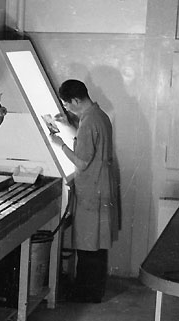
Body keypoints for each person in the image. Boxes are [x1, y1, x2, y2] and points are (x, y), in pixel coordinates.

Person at [50, 79, 121, 303]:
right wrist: (68, 123)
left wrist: (60, 145)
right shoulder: (99, 115)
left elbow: (81, 162)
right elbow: (88, 143)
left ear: (76, 100)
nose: (66, 108)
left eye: (67, 104)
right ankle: (94, 291)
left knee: (88, 246)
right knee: (97, 245)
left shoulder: (89, 122)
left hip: (92, 190)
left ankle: (86, 293)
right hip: (102, 186)